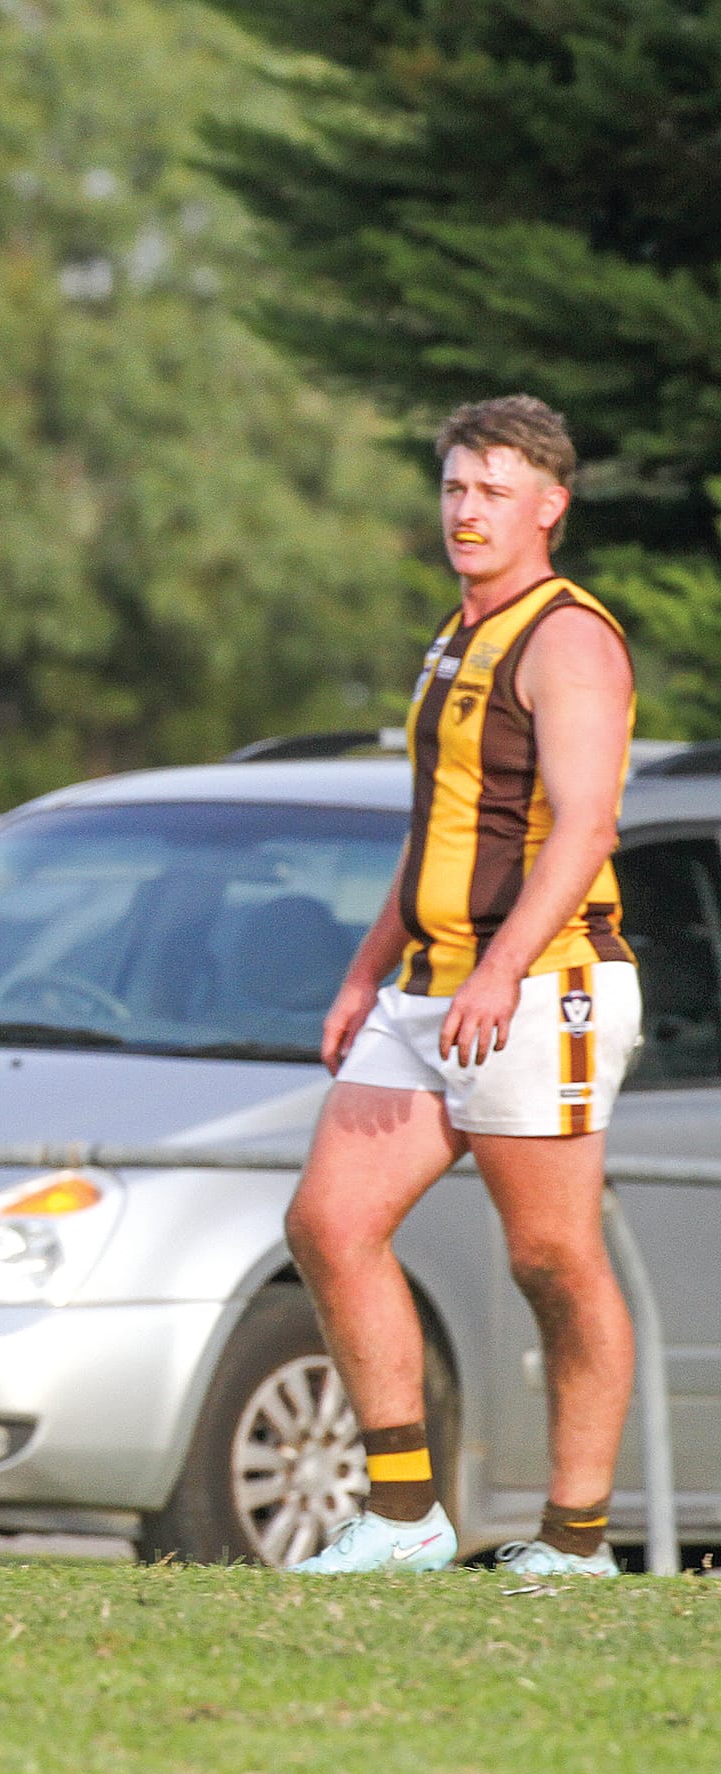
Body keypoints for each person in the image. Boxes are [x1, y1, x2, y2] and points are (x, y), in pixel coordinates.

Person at [286, 395, 641, 1576]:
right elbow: (434, 825)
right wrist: (362, 969)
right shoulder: (454, 632)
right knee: (329, 1222)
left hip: (542, 986)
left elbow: (583, 825)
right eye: (452, 487)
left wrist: (497, 969)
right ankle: (401, 1518)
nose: (465, 510)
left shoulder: (566, 638)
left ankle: (576, 1539)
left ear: (548, 504)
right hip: (428, 984)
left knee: (549, 1257)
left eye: (492, 489)